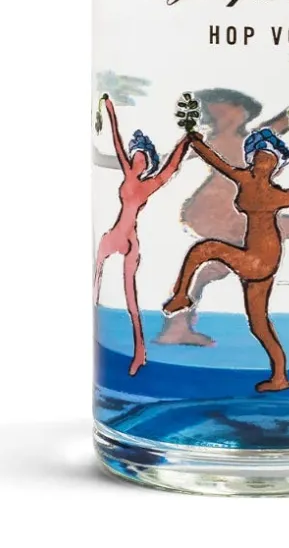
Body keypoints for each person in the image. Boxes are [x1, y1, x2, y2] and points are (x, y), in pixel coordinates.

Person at [156, 88, 289, 346]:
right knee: (218, 260)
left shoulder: (254, 140)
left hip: (245, 214)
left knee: (218, 267)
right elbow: (166, 161)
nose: (231, 115)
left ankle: (177, 324)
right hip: (217, 214)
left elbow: (286, 120)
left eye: (234, 110)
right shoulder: (216, 141)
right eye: (221, 110)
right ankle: (178, 320)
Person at [163, 128, 289, 392]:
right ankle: (280, 376)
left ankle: (180, 295)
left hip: (261, 258)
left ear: (276, 165)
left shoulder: (276, 195)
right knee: (258, 324)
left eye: (269, 158)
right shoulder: (244, 178)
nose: (263, 161)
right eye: (259, 156)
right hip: (254, 256)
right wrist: (197, 144)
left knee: (205, 249)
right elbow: (219, 164)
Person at [93, 94, 189, 376]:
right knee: (97, 273)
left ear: (147, 163)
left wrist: (186, 140)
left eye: (142, 157)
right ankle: (96, 325)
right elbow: (116, 140)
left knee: (131, 298)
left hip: (129, 239)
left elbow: (171, 167)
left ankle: (139, 351)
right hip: (115, 232)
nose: (137, 158)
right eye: (136, 154)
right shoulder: (127, 172)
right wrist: (110, 111)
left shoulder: (150, 183)